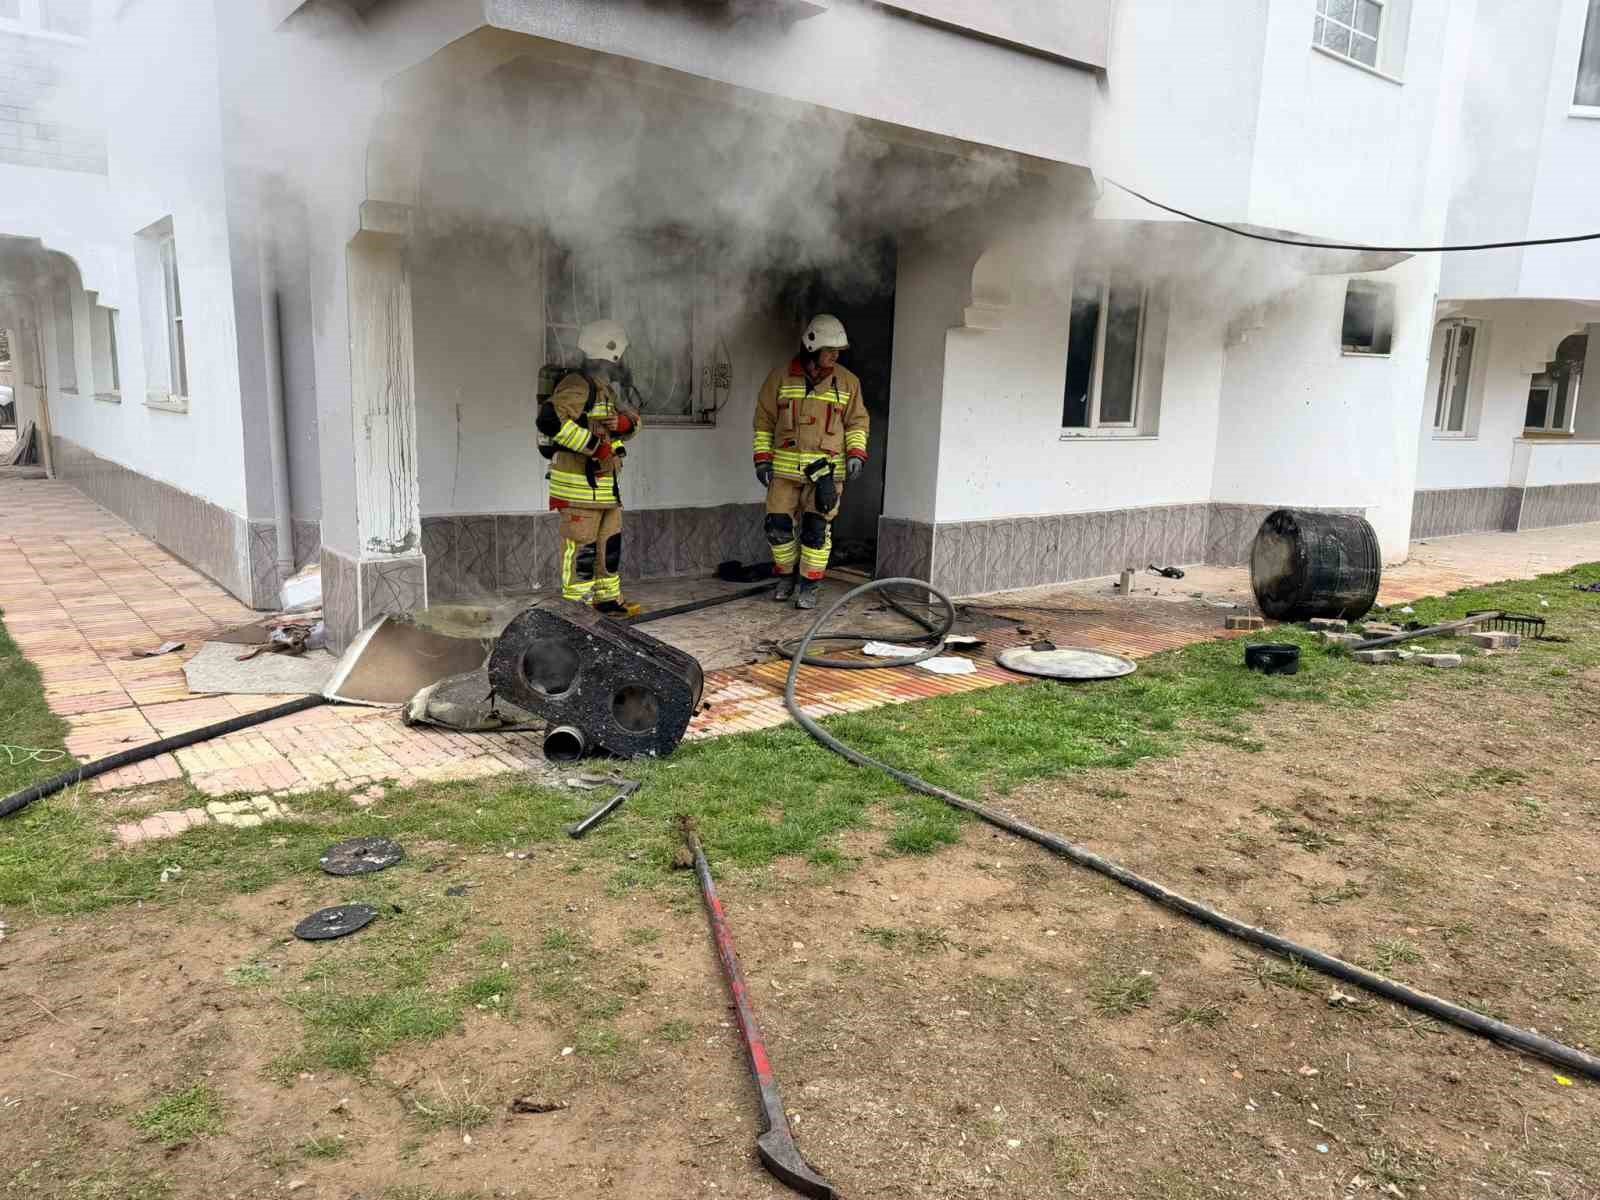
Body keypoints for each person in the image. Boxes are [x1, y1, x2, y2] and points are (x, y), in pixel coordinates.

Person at [752, 314, 869, 609]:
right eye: (830, 350)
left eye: (838, 350)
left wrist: (856, 453)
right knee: (777, 527)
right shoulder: (779, 378)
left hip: (826, 475)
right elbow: (764, 422)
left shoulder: (848, 382)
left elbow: (857, 423)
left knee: (816, 531)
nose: (835, 355)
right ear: (811, 346)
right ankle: (786, 577)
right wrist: (762, 459)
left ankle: (809, 586)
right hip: (785, 473)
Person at [547, 318, 641, 614]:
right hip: (579, 491)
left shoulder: (604, 389)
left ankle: (607, 601)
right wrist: (596, 447)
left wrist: (624, 424)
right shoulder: (577, 385)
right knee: (582, 554)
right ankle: (575, 612)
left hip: (605, 489)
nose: (624, 361)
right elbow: (549, 421)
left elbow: (631, 422)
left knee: (608, 547)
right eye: (622, 355)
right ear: (611, 354)